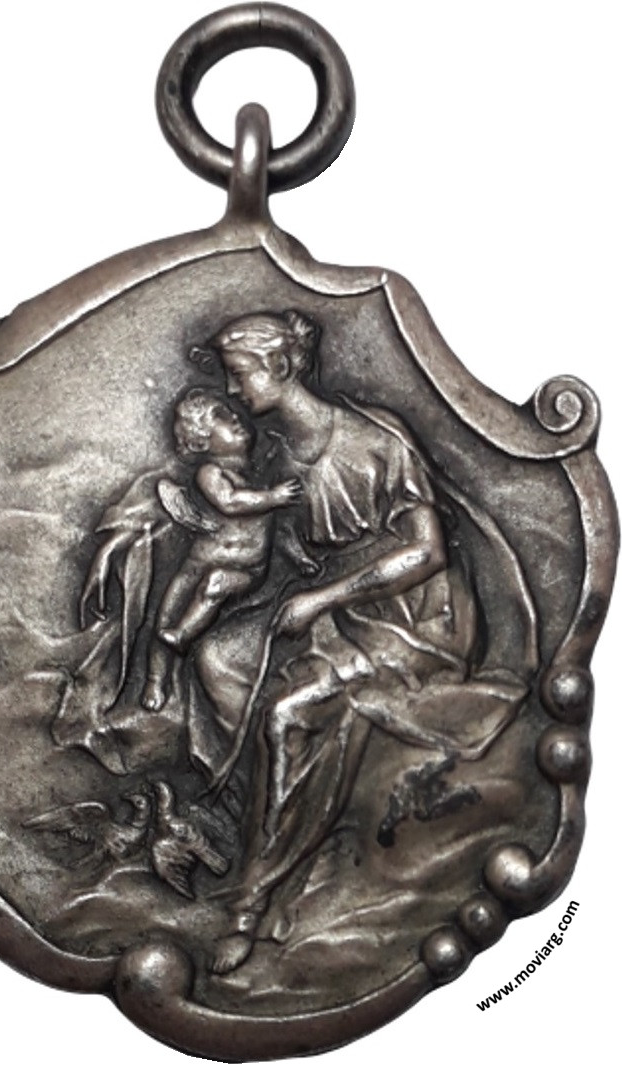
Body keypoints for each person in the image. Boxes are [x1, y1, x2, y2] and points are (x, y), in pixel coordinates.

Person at [185, 310, 533, 975]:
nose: (232, 390)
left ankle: (256, 900)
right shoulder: (280, 452)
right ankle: (276, 814)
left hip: (411, 620)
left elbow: (428, 554)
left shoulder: (374, 442)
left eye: (239, 374)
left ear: (280, 366)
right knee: (216, 659)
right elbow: (284, 553)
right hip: (335, 606)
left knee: (288, 715)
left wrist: (323, 599)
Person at [140, 388, 302, 712]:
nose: (235, 417)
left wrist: (300, 557)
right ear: (201, 442)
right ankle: (155, 680)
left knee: (216, 584)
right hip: (197, 565)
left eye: (231, 412)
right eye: (221, 417)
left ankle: (183, 635)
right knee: (166, 614)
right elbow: (228, 502)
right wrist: (273, 498)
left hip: (248, 571)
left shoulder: (260, 474)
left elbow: (279, 529)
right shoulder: (211, 473)